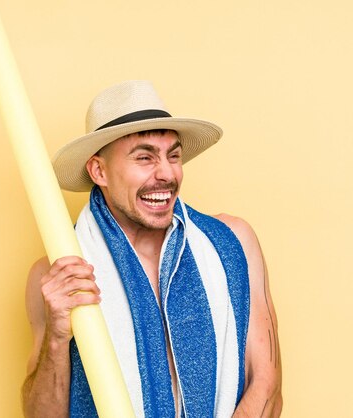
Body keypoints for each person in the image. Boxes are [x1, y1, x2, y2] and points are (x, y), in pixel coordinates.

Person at [21, 80, 282, 417]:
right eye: (144, 157)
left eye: (173, 155)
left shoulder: (231, 244)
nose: (166, 173)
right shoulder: (57, 274)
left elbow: (267, 383)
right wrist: (56, 338)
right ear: (99, 170)